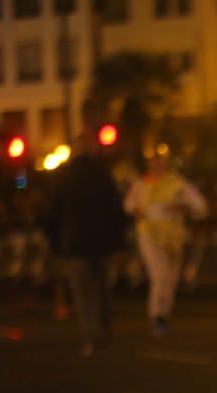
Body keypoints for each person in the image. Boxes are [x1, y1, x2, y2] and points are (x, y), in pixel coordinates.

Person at [44, 130, 128, 356]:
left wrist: (55, 243)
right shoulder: (103, 174)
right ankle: (106, 331)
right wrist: (120, 242)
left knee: (83, 294)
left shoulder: (64, 176)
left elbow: (53, 212)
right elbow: (115, 209)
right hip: (102, 242)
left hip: (75, 243)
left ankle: (90, 337)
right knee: (103, 290)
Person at [124, 154, 207, 337]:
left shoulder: (178, 184)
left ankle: (164, 315)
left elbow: (200, 206)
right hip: (149, 234)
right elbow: (129, 206)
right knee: (159, 274)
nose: (157, 164)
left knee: (170, 278)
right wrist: (138, 211)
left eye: (160, 160)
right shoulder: (141, 185)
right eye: (154, 161)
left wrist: (181, 206)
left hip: (173, 236)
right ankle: (156, 315)